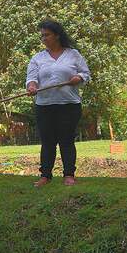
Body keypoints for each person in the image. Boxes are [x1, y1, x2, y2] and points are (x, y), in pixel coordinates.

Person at [26, 19, 91, 187]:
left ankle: (69, 175)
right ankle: (45, 176)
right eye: (42, 36)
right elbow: (31, 79)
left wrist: (78, 78)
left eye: (47, 35)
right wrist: (32, 86)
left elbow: (85, 73)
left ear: (57, 35)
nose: (43, 39)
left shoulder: (73, 54)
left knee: (66, 140)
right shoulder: (37, 58)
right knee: (47, 142)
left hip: (69, 104)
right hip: (45, 105)